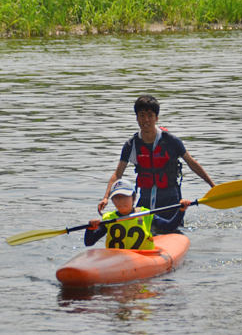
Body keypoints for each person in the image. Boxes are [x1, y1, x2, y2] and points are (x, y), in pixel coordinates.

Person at [97, 95, 215, 232]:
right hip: (145, 200)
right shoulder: (131, 144)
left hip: (170, 199)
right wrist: (106, 197)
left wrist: (212, 186)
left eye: (150, 115)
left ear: (156, 118)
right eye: (141, 115)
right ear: (136, 118)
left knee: (171, 230)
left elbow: (192, 163)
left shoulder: (171, 141)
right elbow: (118, 173)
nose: (146, 120)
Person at [85, 179, 191, 250]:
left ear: (134, 198)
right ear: (112, 200)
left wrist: (181, 210)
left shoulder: (145, 214)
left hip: (142, 257)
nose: (121, 201)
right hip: (115, 259)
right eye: (117, 197)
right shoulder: (108, 219)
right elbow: (89, 243)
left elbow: (169, 226)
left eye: (125, 197)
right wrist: (90, 229)